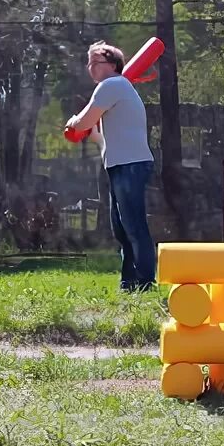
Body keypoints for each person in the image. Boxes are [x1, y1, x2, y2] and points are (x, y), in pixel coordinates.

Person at [67, 41, 157, 292]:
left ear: (112, 64)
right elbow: (103, 137)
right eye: (89, 63)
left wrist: (74, 122)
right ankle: (129, 282)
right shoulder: (114, 89)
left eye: (95, 62)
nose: (90, 67)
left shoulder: (112, 85)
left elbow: (84, 121)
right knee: (121, 229)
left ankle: (146, 282)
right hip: (119, 164)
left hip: (131, 165)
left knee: (134, 225)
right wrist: (92, 135)